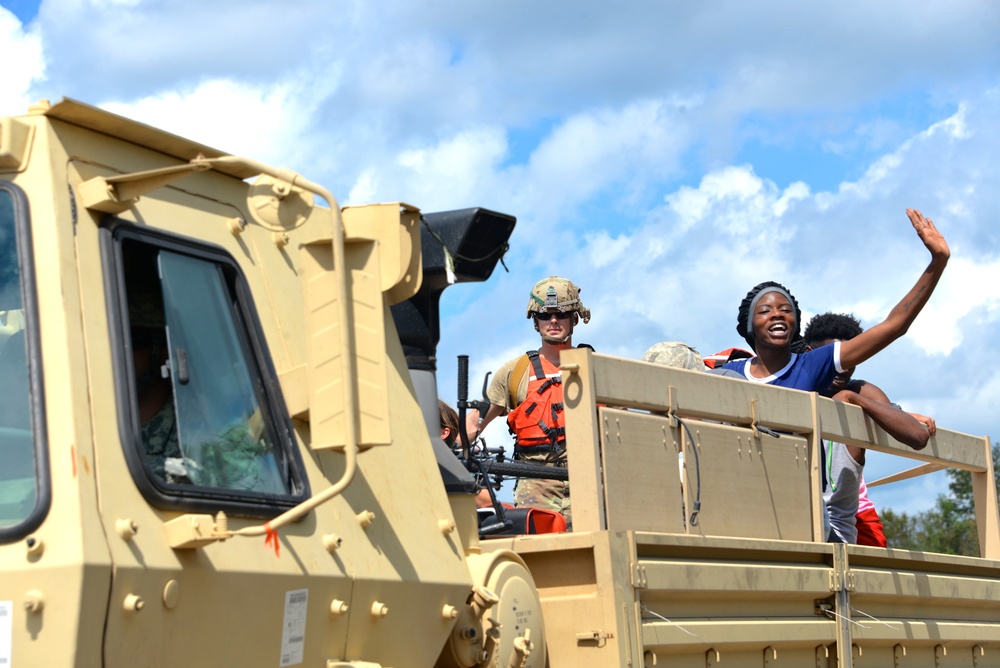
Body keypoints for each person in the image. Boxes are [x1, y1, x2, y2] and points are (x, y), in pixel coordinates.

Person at [723, 209, 949, 394]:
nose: (777, 314)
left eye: (785, 309)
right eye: (765, 311)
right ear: (750, 325)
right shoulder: (730, 373)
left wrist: (938, 262)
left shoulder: (812, 365)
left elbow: (893, 325)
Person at [804, 312, 935, 545]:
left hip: (854, 517)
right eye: (837, 360)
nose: (844, 369)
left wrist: (855, 400)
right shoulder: (794, 385)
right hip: (805, 513)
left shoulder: (858, 389)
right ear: (809, 354)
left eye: (851, 359)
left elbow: (916, 435)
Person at [473, 276, 591, 528]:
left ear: (575, 318)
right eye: (545, 315)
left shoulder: (597, 368)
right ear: (535, 321)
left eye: (562, 313)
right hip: (535, 485)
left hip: (589, 480)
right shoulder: (515, 372)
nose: (554, 321)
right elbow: (473, 424)